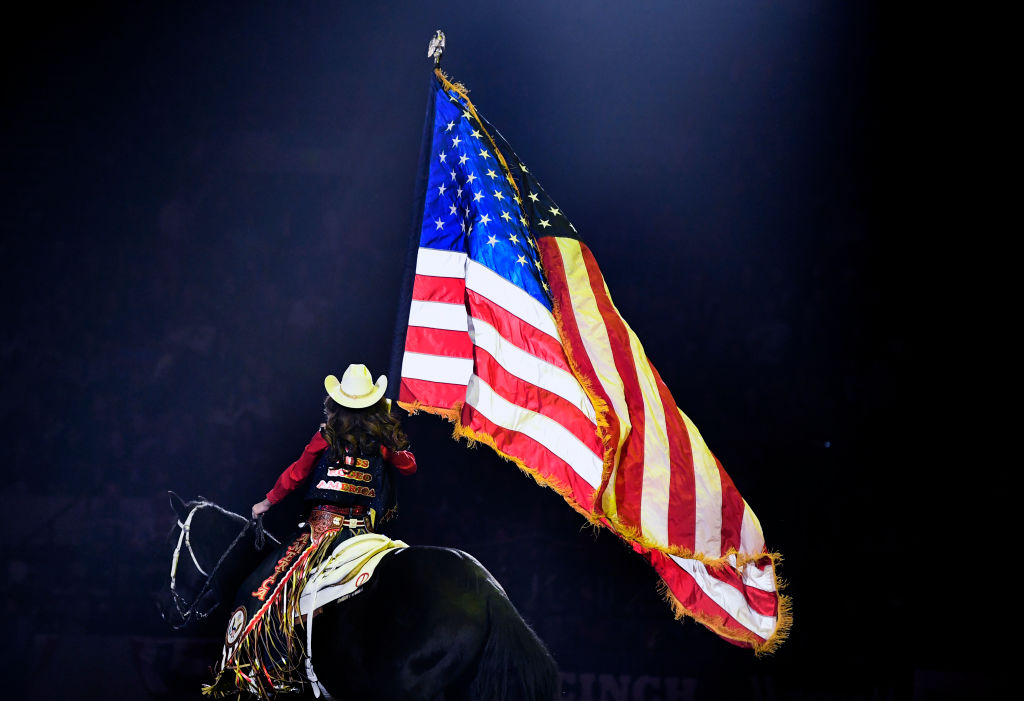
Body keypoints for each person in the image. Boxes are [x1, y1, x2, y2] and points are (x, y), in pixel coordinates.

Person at [204, 364, 416, 698]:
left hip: (322, 533)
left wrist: (267, 502)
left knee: (258, 589)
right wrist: (389, 439)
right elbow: (409, 466)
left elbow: (296, 473)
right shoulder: (381, 442)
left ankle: (259, 671)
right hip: (363, 533)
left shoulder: (324, 436)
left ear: (338, 403)